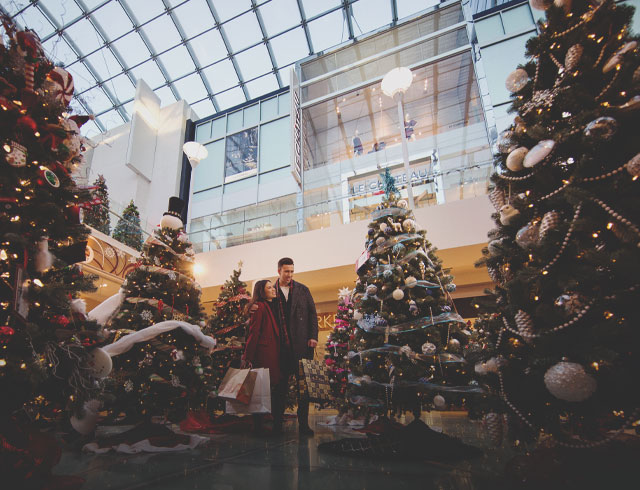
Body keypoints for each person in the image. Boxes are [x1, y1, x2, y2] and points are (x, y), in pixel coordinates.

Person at [274, 257, 318, 436]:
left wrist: (313, 337)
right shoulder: (271, 290)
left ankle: (304, 424)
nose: (290, 275)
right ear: (279, 271)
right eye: (286, 271)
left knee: (304, 389)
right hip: (280, 348)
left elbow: (313, 314)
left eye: (292, 271)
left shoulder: (303, 289)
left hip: (302, 346)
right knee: (279, 388)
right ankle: (277, 424)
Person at [241, 280, 291, 436]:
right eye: (269, 288)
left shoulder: (273, 306)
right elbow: (253, 333)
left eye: (272, 286)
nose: (273, 289)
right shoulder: (260, 307)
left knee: (273, 389)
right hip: (264, 355)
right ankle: (259, 427)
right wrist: (247, 356)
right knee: (261, 390)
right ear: (261, 292)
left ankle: (273, 425)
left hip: (275, 354)